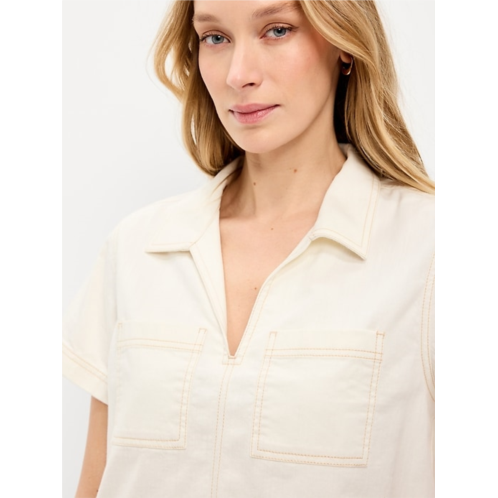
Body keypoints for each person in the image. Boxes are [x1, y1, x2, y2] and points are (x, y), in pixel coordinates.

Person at [62, 0, 435, 497]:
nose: (239, 75)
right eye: (215, 38)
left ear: (344, 42)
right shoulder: (136, 249)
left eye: (277, 30)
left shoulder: (421, 251)